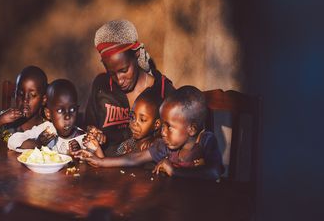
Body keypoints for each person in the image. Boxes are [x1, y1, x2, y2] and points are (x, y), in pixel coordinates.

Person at [77, 86, 224, 180]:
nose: (163, 133)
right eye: (162, 125)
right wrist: (100, 161)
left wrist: (175, 171)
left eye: (169, 127)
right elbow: (134, 158)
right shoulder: (165, 145)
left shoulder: (205, 141)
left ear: (191, 129)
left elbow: (214, 172)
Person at [85, 19, 175, 156]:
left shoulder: (162, 90)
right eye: (112, 73)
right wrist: (93, 133)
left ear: (137, 54)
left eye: (124, 70)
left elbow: (177, 139)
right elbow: (89, 125)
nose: (119, 80)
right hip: (104, 170)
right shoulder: (101, 86)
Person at [7, 79, 86, 153]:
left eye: (72, 110)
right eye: (60, 110)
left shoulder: (81, 136)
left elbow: (92, 158)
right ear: (48, 113)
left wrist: (79, 152)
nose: (67, 117)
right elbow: (12, 141)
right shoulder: (45, 130)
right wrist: (37, 142)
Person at [0, 66, 47, 144]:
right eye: (20, 94)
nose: (25, 100)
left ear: (43, 100)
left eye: (32, 95)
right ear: (15, 94)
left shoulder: (47, 128)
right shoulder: (6, 122)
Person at [85, 88, 162, 158]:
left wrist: (99, 153)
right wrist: (96, 148)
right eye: (132, 117)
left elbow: (130, 163)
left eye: (142, 119)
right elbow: (114, 165)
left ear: (156, 124)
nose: (134, 123)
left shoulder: (154, 146)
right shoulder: (129, 143)